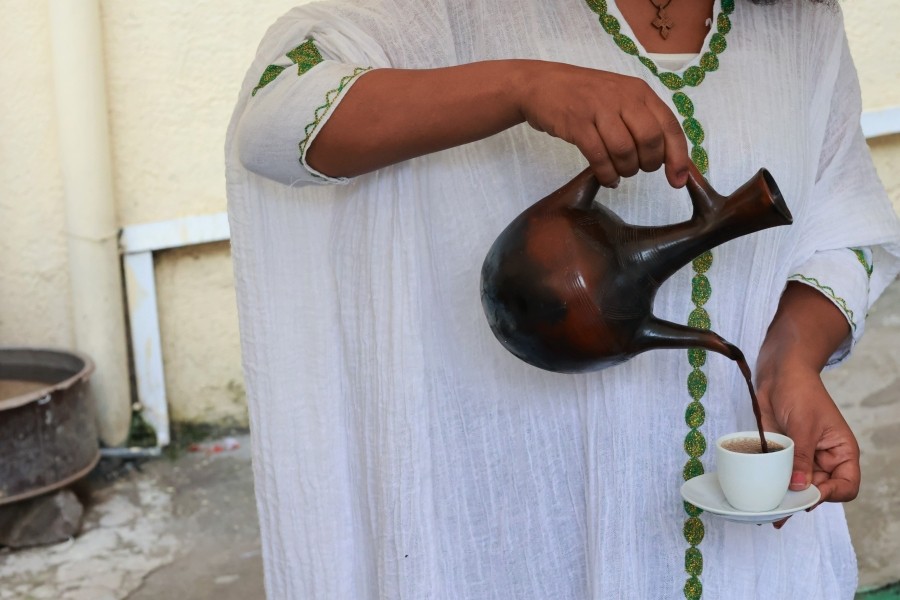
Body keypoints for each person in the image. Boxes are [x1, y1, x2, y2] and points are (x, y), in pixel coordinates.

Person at [225, 0, 900, 597]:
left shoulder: (800, 22)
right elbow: (276, 110)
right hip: (517, 531)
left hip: (753, 553)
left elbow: (847, 228)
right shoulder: (451, 15)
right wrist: (523, 85)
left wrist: (792, 359)